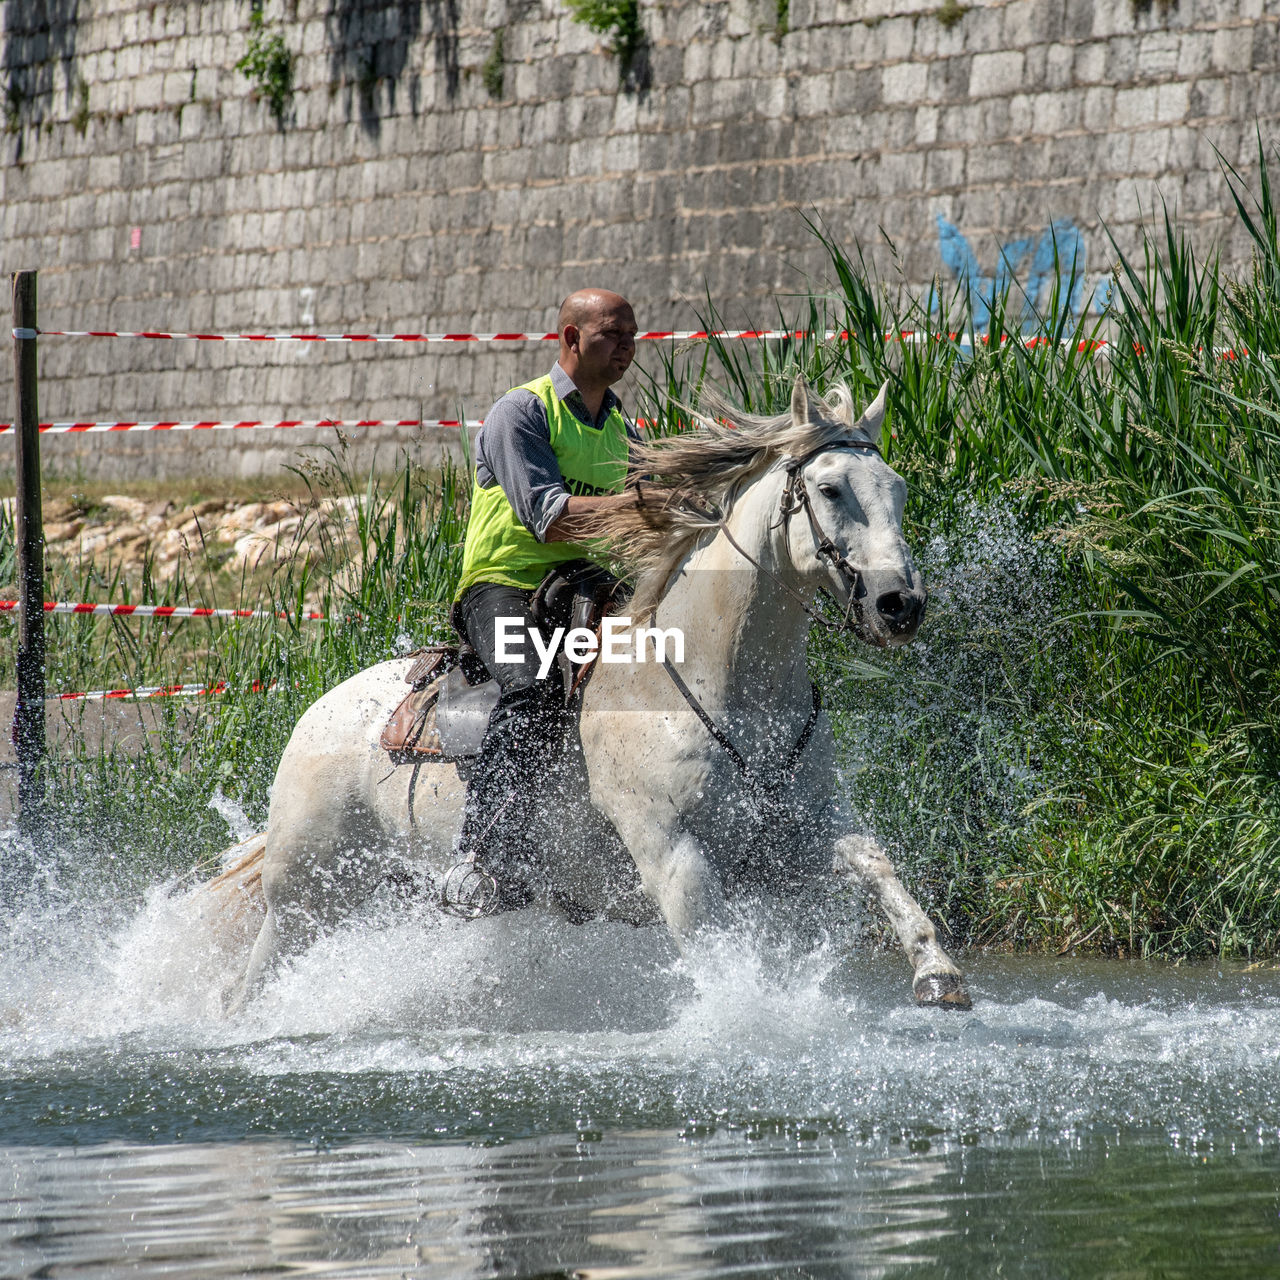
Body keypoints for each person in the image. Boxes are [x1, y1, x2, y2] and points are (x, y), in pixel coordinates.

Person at [442, 288, 645, 917]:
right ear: (571, 338)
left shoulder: (625, 428)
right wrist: (645, 509)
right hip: (502, 585)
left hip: (586, 584)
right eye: (613, 334)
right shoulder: (520, 412)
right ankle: (484, 860)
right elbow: (549, 519)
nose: (627, 348)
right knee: (529, 691)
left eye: (633, 336)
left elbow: (644, 529)